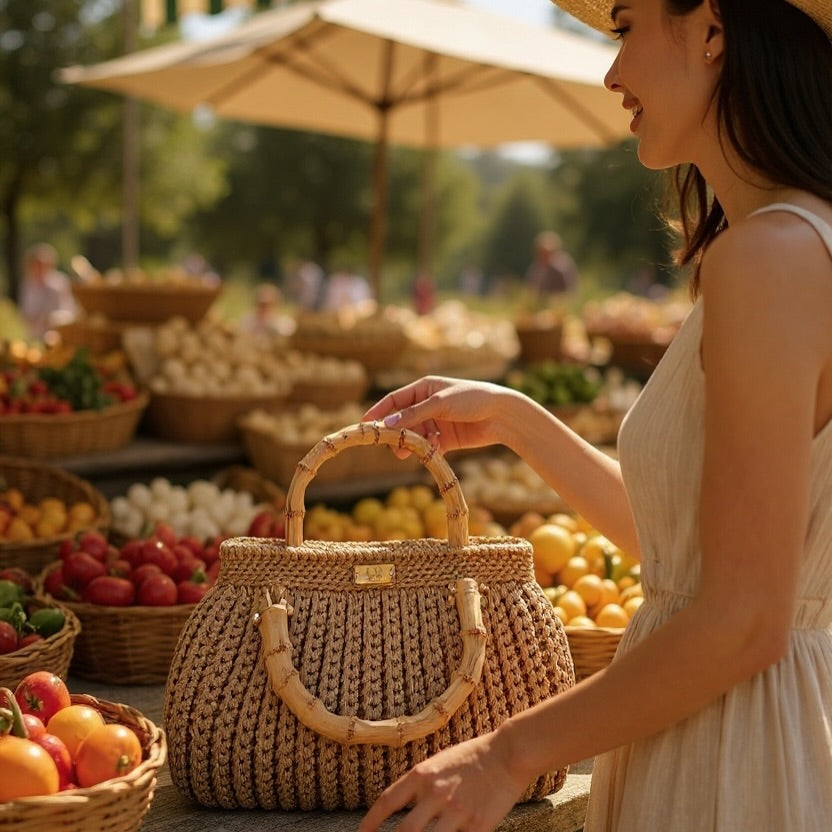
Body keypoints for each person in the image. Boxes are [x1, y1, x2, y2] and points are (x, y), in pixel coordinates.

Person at [359, 2, 832, 830]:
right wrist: (516, 419)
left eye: (625, 26)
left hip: (735, 756)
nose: (612, 73)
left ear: (712, 30)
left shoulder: (768, 257)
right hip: (747, 730)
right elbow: (688, 555)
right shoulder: (792, 244)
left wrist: (505, 755)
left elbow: (744, 619)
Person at [18, 243, 77, 340]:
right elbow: (25, 313)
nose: (39, 268)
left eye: (42, 265)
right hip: (34, 335)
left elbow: (70, 313)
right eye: (36, 265)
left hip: (59, 335)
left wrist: (51, 319)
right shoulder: (27, 285)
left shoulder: (60, 283)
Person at [525, 229, 580, 299]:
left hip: (560, 302)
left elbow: (570, 291)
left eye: (546, 253)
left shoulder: (561, 267)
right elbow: (531, 289)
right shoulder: (536, 268)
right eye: (541, 253)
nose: (543, 256)